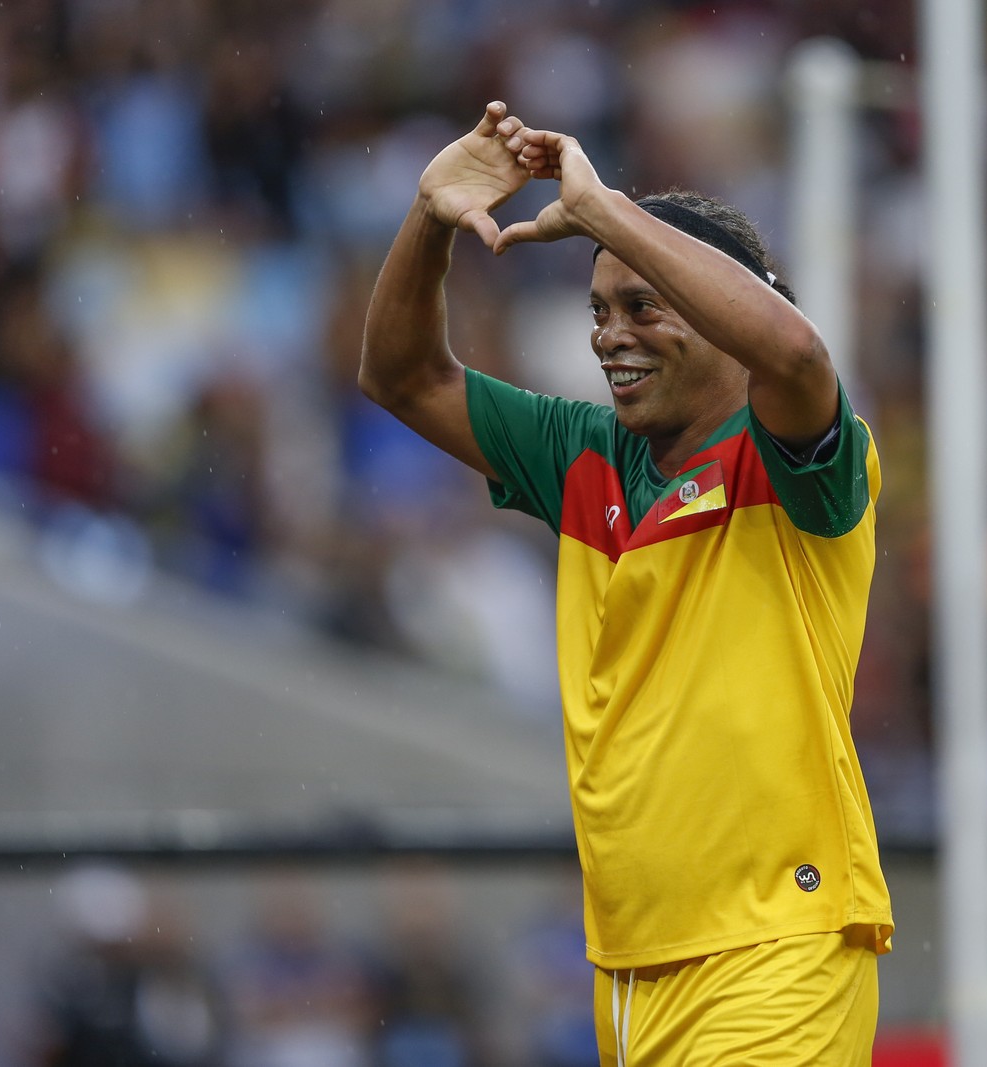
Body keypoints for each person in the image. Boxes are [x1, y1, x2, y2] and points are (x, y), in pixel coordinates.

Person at [360, 101, 893, 1065]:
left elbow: (798, 352)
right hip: (630, 974)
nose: (611, 336)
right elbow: (401, 375)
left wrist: (601, 209)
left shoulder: (798, 459)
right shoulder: (583, 454)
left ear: (727, 308)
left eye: (644, 306)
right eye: (599, 311)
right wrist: (432, 214)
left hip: (780, 950)